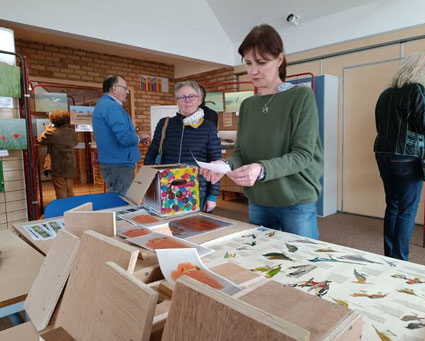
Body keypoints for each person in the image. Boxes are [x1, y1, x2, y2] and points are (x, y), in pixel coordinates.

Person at [201, 24, 323, 238]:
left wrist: (261, 169)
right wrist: (224, 165)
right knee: (262, 265)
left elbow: (303, 155)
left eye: (261, 62)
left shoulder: (301, 97)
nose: (253, 71)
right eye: (248, 63)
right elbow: (241, 153)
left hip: (295, 200)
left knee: (303, 265)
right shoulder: (248, 104)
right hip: (258, 201)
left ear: (279, 60)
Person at [374, 54, 425, 261]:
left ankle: (390, 256)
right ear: (421, 72)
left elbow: (380, 126)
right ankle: (400, 259)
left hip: (383, 155)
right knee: (407, 209)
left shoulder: (386, 94)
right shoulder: (416, 90)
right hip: (408, 157)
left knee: (393, 205)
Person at [144, 81, 221, 212]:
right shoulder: (164, 124)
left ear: (200, 99)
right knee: (168, 229)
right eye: (182, 97)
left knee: (196, 229)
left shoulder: (209, 128)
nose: (187, 101)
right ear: (177, 101)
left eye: (192, 96)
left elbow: (215, 164)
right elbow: (152, 153)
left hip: (196, 190)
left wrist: (212, 196)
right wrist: (147, 182)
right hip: (167, 188)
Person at [93, 75, 150, 196]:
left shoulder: (103, 105)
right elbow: (125, 138)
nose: (127, 92)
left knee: (115, 199)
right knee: (121, 202)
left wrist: (137, 137)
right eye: (125, 88)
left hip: (113, 163)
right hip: (119, 165)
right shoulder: (112, 107)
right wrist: (138, 137)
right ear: (115, 89)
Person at [37, 110, 78, 199]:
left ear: (53, 120)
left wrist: (47, 128)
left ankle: (62, 209)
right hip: (70, 164)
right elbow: (75, 143)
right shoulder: (72, 132)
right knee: (69, 188)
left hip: (58, 165)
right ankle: (71, 208)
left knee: (60, 189)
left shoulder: (52, 132)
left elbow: (40, 140)